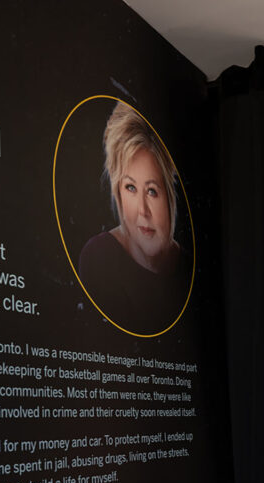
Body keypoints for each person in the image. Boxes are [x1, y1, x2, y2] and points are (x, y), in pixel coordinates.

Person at [78, 101, 192, 334]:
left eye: (152, 191)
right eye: (130, 187)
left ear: (171, 196)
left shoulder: (189, 270)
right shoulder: (98, 259)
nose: (142, 210)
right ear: (117, 191)